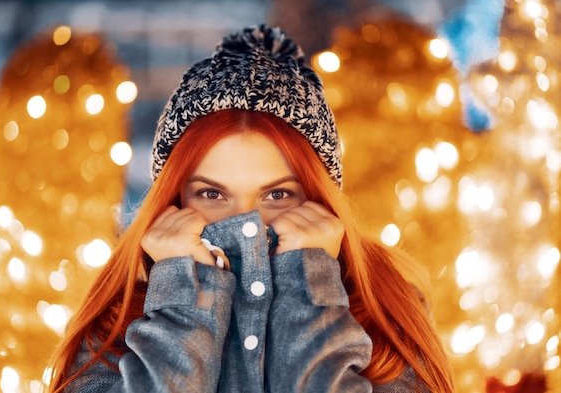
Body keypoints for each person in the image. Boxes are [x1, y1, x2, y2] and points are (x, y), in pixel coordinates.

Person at [45, 24, 456, 393]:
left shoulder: (386, 315)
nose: (247, 223)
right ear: (173, 200)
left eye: (277, 195)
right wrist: (182, 309)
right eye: (212, 194)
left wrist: (309, 296)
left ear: (318, 198)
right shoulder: (117, 323)